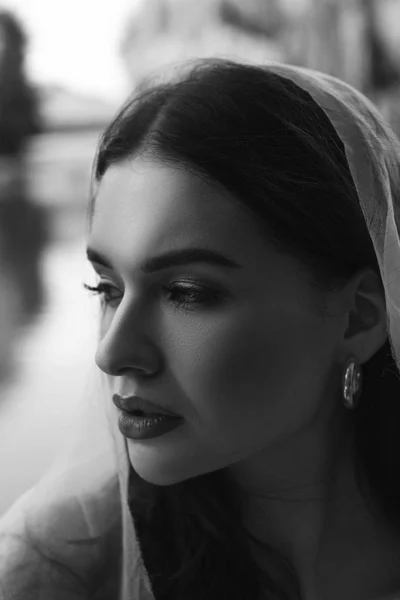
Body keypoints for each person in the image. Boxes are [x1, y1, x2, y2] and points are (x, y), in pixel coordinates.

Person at [0, 58, 400, 600]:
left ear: (360, 318)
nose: (113, 353)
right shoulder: (49, 574)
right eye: (107, 289)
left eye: (187, 293)